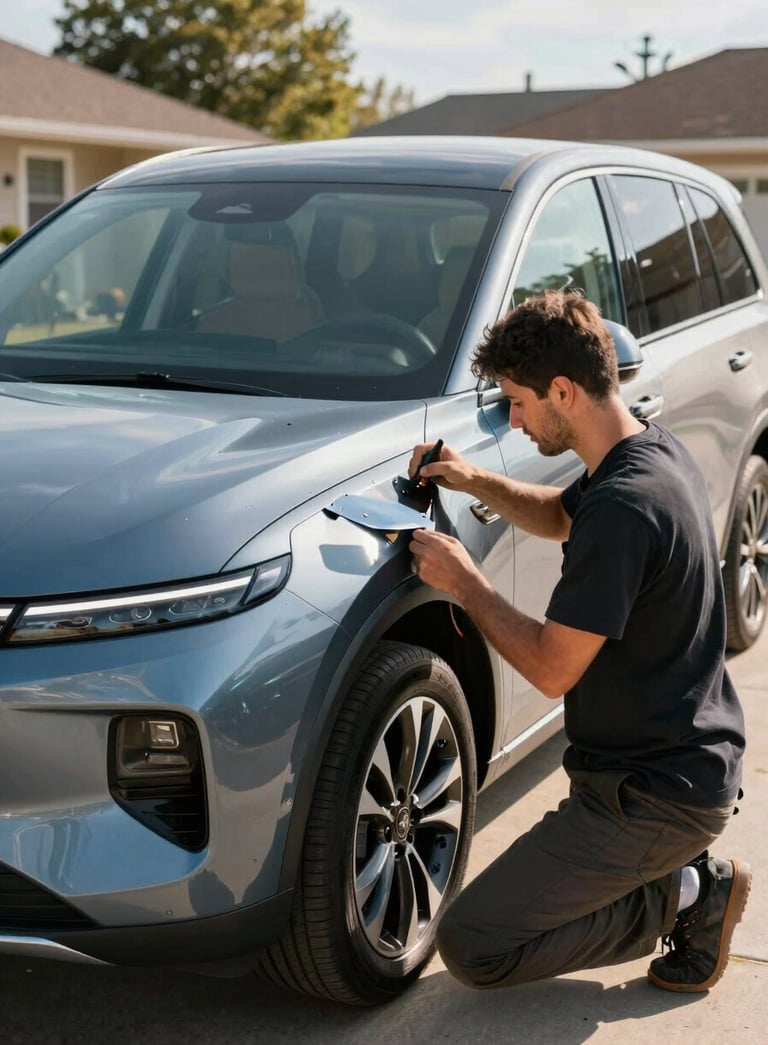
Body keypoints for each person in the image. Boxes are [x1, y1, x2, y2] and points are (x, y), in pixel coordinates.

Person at [408, 288, 750, 993]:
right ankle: (674, 876)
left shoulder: (626, 507)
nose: (514, 417)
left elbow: (551, 668)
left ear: (562, 390)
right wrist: (472, 477)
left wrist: (465, 582)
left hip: (657, 795)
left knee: (474, 943)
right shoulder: (644, 454)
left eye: (518, 401)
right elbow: (560, 514)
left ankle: (689, 892)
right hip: (668, 768)